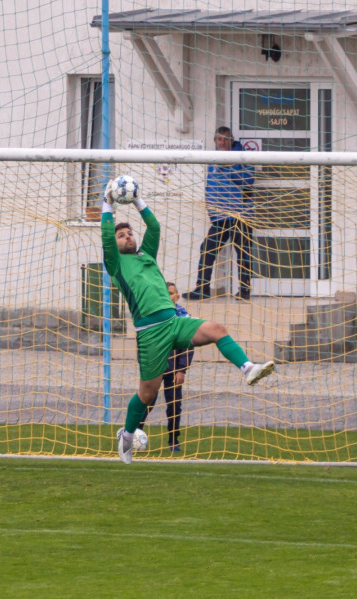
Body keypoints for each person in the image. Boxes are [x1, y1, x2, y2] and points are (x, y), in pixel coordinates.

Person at [101, 180, 274, 464]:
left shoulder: (146, 256)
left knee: (217, 329)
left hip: (175, 322)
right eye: (122, 235)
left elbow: (154, 228)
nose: (128, 237)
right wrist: (108, 203)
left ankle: (248, 368)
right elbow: (106, 236)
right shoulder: (115, 263)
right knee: (148, 393)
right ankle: (127, 436)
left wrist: (138, 200)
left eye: (130, 233)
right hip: (151, 334)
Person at [184, 126, 255, 302]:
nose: (222, 142)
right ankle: (202, 289)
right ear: (215, 141)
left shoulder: (243, 156)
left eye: (225, 139)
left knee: (243, 252)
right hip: (220, 217)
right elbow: (210, 187)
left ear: (232, 140)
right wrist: (211, 210)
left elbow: (248, 181)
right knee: (207, 249)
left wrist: (227, 167)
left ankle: (244, 291)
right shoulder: (213, 159)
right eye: (219, 139)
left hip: (240, 216)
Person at [140, 282, 195, 451]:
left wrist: (182, 369)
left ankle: (173, 440)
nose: (168, 295)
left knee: (174, 405)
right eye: (165, 293)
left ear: (177, 297)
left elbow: (188, 345)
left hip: (174, 370)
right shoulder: (153, 316)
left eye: (171, 293)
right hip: (155, 369)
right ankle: (134, 434)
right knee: (146, 402)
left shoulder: (184, 318)